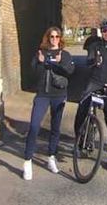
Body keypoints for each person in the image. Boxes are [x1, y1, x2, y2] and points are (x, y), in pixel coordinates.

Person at [23, 26, 75, 181]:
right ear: (47, 38)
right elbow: (33, 74)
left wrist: (59, 63)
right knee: (34, 126)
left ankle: (51, 157)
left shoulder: (64, 55)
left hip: (58, 95)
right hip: (42, 95)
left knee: (55, 128)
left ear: (61, 38)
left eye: (57, 36)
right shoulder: (41, 53)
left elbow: (70, 72)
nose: (54, 39)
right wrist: (39, 63)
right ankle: (27, 161)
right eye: (51, 37)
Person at [75, 18, 107, 170]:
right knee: (82, 108)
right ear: (101, 32)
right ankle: (80, 139)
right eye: (104, 30)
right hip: (95, 82)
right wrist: (94, 61)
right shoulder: (95, 46)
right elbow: (88, 63)